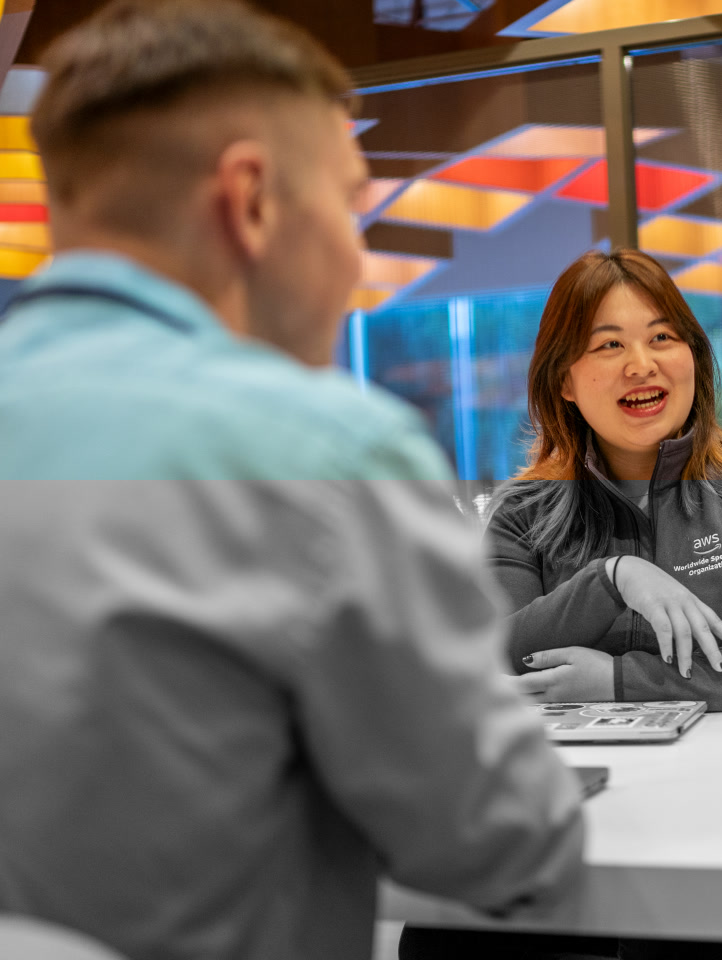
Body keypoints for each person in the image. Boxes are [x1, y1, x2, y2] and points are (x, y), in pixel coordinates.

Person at [0, 3, 584, 959]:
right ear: (253, 200)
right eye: (352, 208)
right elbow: (510, 844)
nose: (359, 260)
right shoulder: (322, 456)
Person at [400, 248, 722, 960]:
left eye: (662, 338)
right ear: (566, 382)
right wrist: (610, 578)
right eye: (608, 345)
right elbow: (487, 663)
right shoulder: (524, 509)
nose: (642, 363)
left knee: (677, 936)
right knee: (441, 938)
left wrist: (617, 683)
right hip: (563, 818)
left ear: (693, 360)